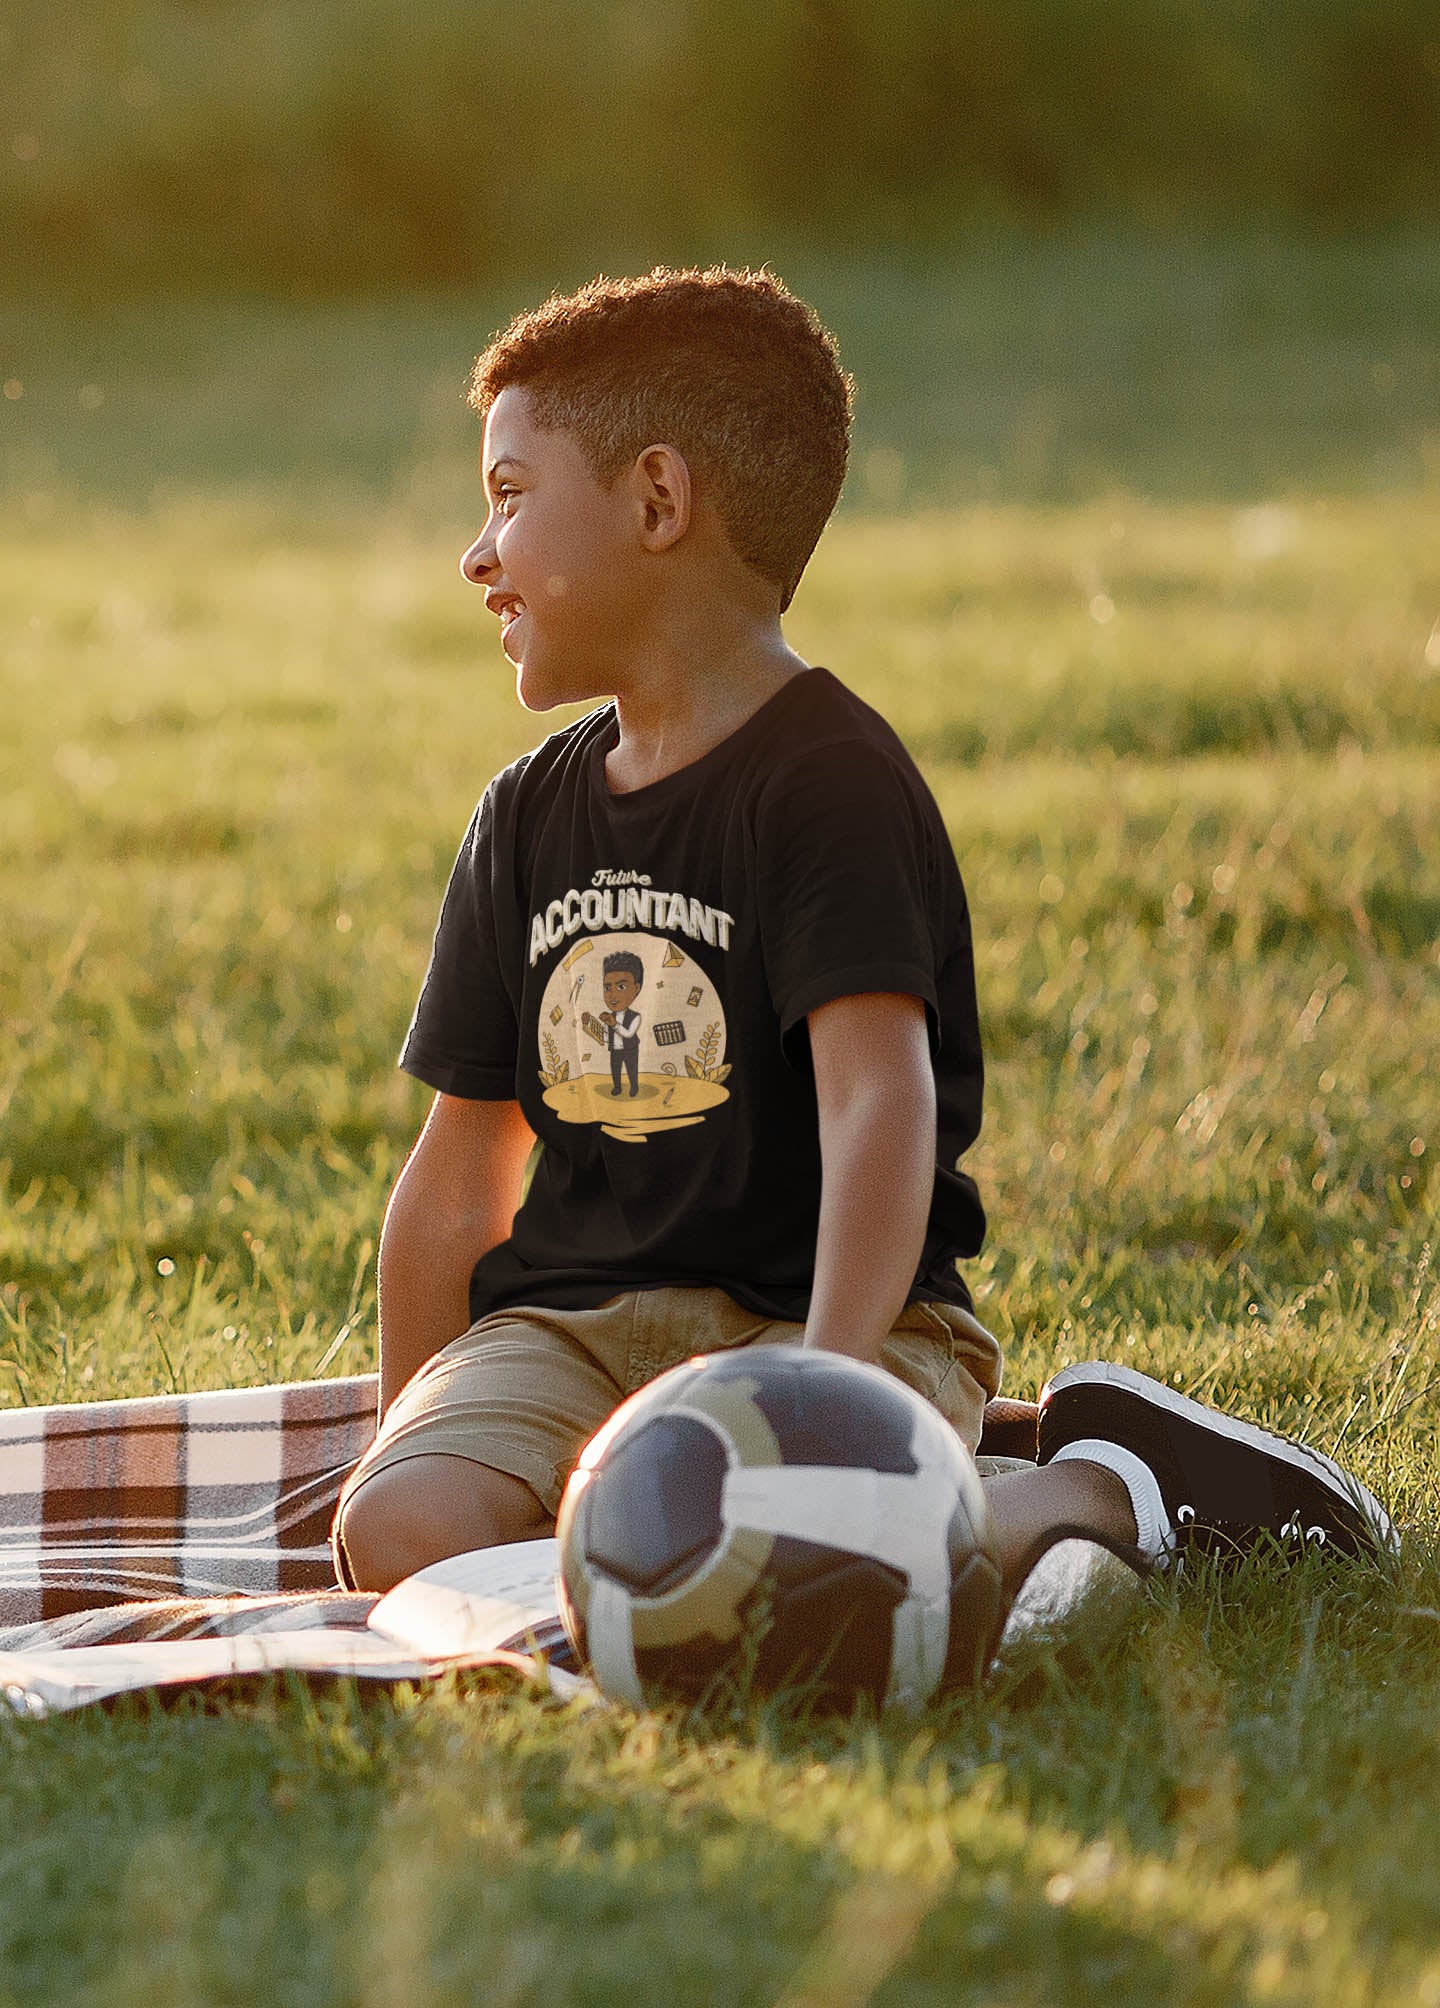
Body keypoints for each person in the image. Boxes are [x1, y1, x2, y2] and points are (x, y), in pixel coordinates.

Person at [332, 267, 1395, 1605]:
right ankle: (843, 1518)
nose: (477, 554)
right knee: (406, 1535)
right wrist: (403, 1433)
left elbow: (877, 1108)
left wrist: (824, 1401)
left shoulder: (825, 781)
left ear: (657, 501)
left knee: (781, 1564)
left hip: (835, 1318)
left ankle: (1100, 1490)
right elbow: (454, 1177)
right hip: (575, 1328)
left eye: (507, 495)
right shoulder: (527, 814)